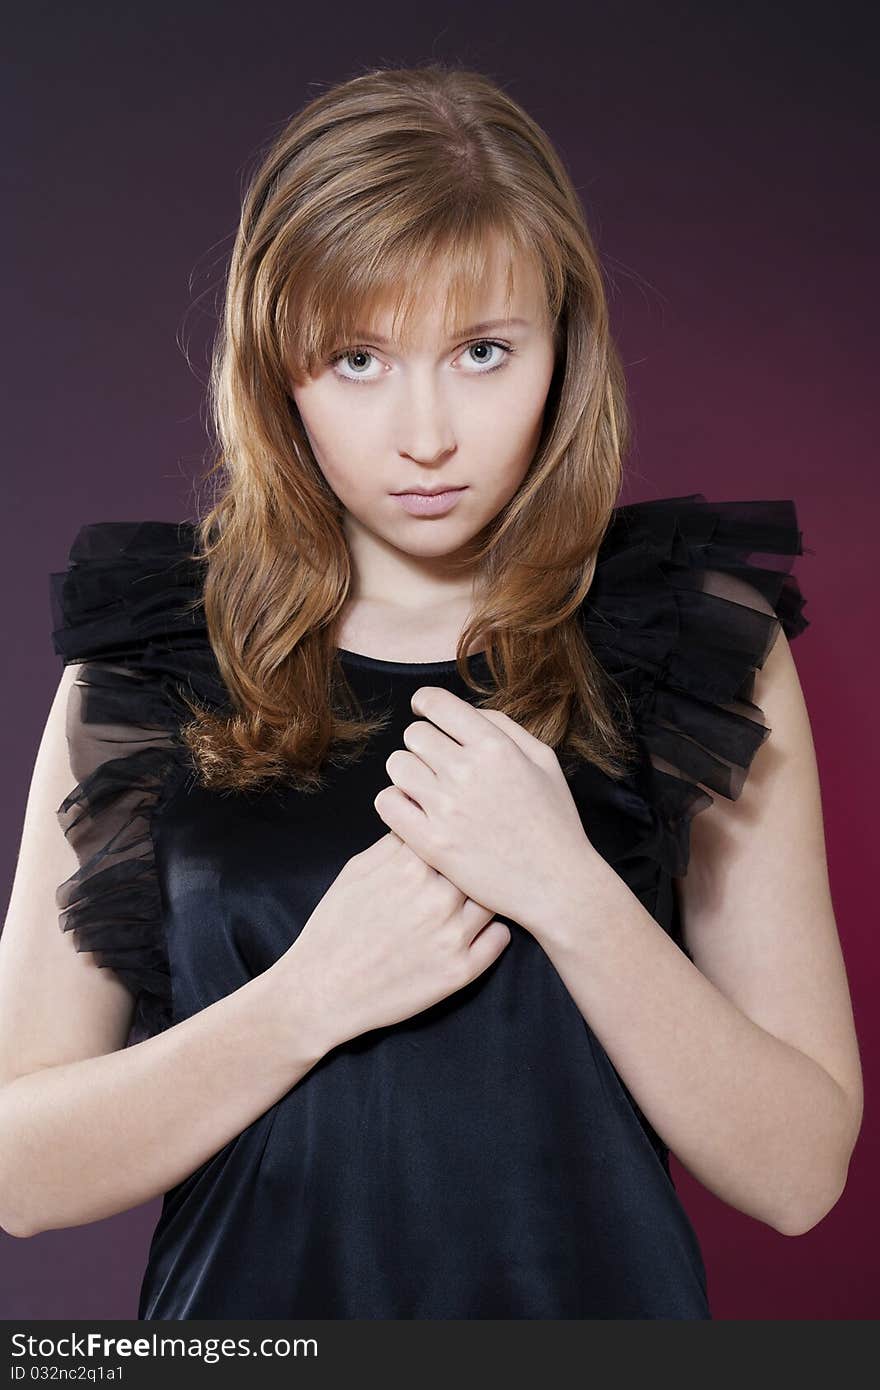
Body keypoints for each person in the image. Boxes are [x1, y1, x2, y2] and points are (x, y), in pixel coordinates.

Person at [0, 63, 862, 1320]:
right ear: (275, 365)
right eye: (356, 358)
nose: (425, 434)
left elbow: (797, 1174)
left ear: (563, 346)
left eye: (480, 351)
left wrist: (570, 889)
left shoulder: (691, 644)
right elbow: (19, 1168)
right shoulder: (149, 657)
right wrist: (306, 998)